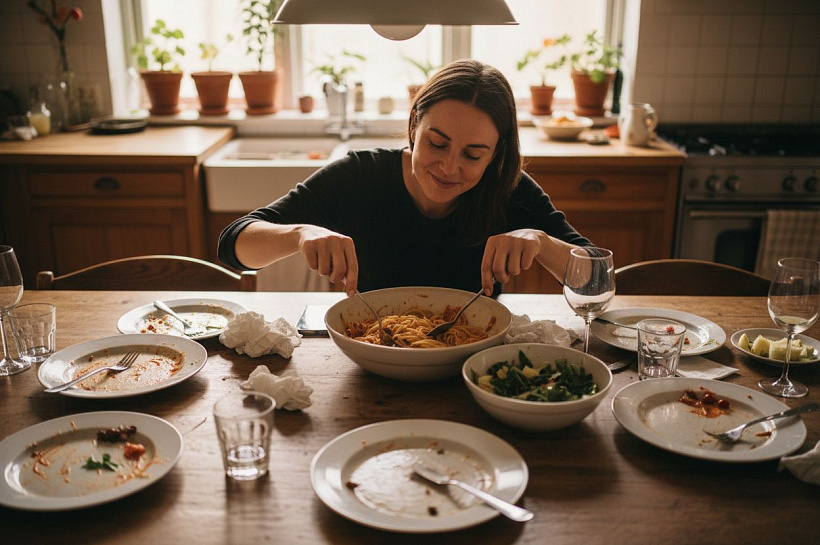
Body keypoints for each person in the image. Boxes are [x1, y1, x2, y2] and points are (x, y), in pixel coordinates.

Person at [218, 59, 595, 298]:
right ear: (415, 125)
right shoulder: (359, 176)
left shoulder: (509, 190)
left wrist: (542, 242)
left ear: (496, 154)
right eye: (437, 143)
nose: (449, 167)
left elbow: (598, 280)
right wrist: (299, 234)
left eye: (473, 155)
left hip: (471, 368)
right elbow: (234, 248)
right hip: (373, 357)